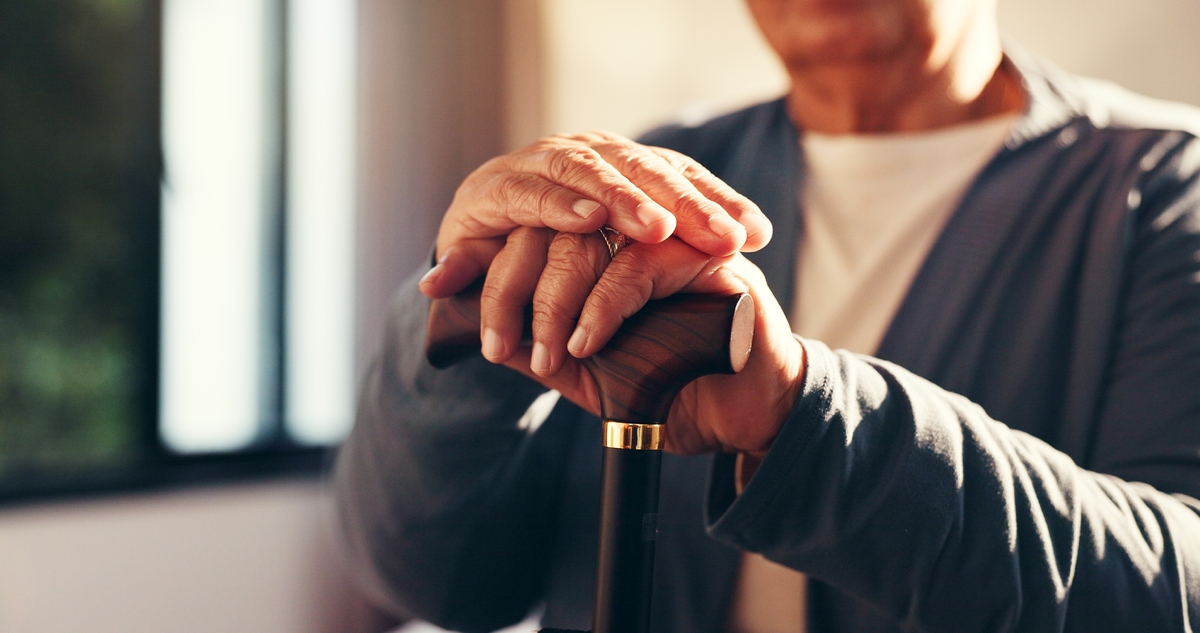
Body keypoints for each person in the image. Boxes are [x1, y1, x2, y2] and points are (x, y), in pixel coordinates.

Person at [333, 0, 1200, 631]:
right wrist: (460, 316)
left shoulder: (1165, 189)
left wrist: (802, 416)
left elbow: (1177, 596)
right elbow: (440, 585)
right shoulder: (653, 176)